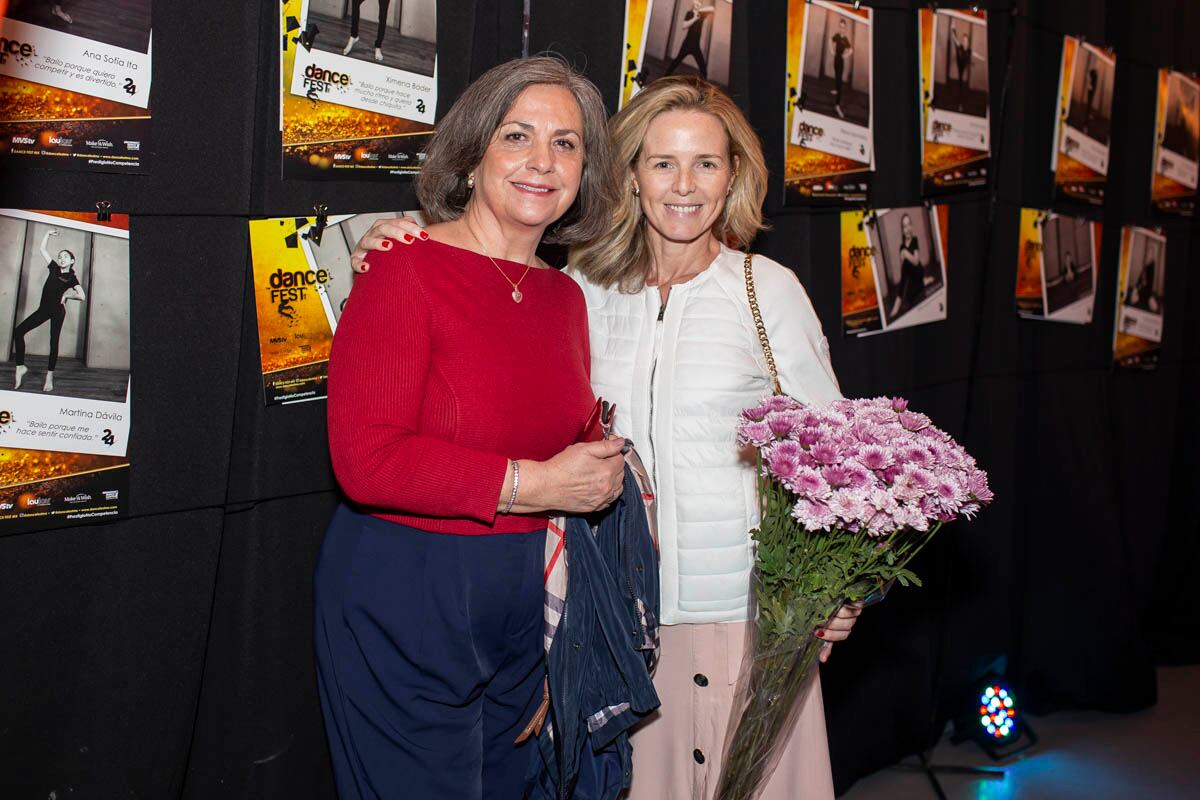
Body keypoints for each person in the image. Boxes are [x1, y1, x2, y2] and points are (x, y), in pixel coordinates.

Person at [353, 76, 863, 800]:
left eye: (706, 164)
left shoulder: (765, 289)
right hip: (623, 630)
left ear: (734, 177)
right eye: (661, 163)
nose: (684, 186)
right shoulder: (578, 289)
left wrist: (840, 590)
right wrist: (393, 235)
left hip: (743, 623)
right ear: (629, 175)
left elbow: (839, 462)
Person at [316, 56, 628, 800]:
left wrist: (563, 638)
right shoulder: (403, 269)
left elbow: (574, 462)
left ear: (586, 170)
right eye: (518, 135)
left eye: (566, 143)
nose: (541, 162)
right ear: (473, 151)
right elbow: (367, 460)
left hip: (527, 606)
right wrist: (540, 483)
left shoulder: (563, 299)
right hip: (408, 594)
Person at [13, 229, 84, 393]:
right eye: (60, 256)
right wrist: (46, 234)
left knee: (53, 343)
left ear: (72, 260)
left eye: (65, 256)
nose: (61, 259)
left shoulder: (71, 278)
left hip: (58, 312)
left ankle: (49, 377)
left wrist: (67, 296)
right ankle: (20, 367)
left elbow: (82, 296)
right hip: (43, 310)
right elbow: (42, 249)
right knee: (18, 332)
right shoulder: (53, 268)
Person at [665, 2, 715, 79]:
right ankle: (665, 76)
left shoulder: (702, 14)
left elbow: (712, 9)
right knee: (677, 61)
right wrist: (695, 18)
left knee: (703, 67)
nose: (697, 3)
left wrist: (700, 11)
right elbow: (684, 26)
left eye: (699, 2)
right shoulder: (689, 13)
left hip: (696, 46)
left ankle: (704, 82)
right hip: (687, 44)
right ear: (693, 3)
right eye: (696, 1)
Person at [889, 213, 923, 321]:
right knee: (909, 297)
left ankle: (897, 302)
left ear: (912, 226)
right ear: (902, 230)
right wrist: (903, 253)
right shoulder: (901, 247)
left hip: (918, 271)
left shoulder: (915, 240)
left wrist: (905, 253)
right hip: (910, 278)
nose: (907, 228)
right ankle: (923, 282)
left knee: (908, 261)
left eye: (909, 225)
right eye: (905, 226)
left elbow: (917, 262)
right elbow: (903, 270)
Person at [830, 18, 852, 119]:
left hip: (841, 62)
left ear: (845, 28)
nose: (842, 29)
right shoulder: (837, 36)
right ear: (839, 27)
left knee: (839, 81)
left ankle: (837, 105)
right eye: (840, 27)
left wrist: (845, 55)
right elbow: (830, 40)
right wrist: (832, 51)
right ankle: (836, 90)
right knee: (836, 76)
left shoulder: (845, 39)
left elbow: (851, 50)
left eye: (843, 27)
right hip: (836, 59)